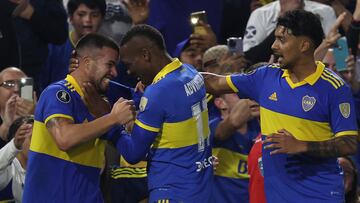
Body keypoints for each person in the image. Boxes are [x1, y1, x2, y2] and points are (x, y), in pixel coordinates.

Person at [203, 10, 358, 202]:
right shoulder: (265, 77)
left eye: (282, 40)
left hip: (319, 195)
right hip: (277, 197)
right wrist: (173, 72)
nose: (274, 46)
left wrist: (302, 145)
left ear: (304, 45)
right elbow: (213, 83)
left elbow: (349, 143)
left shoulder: (334, 88)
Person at [22, 33, 135, 202]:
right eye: (110, 65)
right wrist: (113, 118)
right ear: (87, 63)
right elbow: (64, 138)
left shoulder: (98, 103)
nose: (115, 72)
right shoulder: (58, 93)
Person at [110, 24, 213, 202]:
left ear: (145, 55)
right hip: (200, 186)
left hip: (171, 191)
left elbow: (134, 153)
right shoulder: (190, 72)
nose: (128, 71)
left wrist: (110, 124)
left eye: (129, 64)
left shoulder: (158, 92)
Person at [243, 0, 337, 64]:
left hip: (316, 72)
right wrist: (286, 17)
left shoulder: (325, 11)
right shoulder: (260, 14)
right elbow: (249, 59)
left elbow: (335, 55)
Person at [41, 0, 106, 91]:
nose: (88, 20)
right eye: (81, 14)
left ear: (102, 19)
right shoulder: (54, 47)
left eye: (94, 15)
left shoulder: (108, 51)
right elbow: (40, 85)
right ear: (71, 18)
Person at [210, 95, 260, 203]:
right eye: (237, 93)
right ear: (220, 103)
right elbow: (222, 132)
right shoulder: (210, 127)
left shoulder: (259, 129)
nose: (246, 96)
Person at [0, 116, 33, 203]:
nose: (37, 145)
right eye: (32, 138)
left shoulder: (46, 169)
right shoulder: (8, 170)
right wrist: (14, 146)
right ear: (17, 140)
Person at [0, 67, 36, 148]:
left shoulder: (43, 116)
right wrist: (6, 127)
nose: (16, 89)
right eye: (9, 84)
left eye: (22, 84)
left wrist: (35, 117)